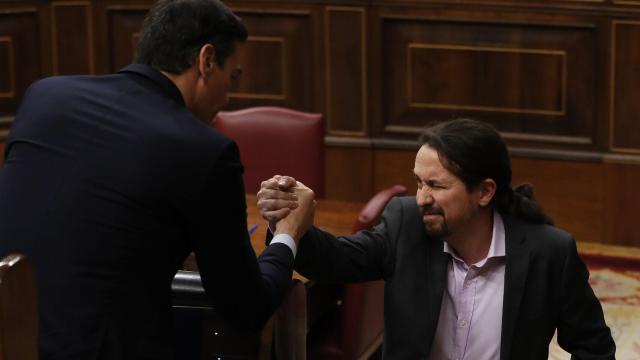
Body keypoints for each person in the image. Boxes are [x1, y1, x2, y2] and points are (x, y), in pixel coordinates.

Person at [0, 0, 314, 359]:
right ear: (206, 60)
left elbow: (85, 222)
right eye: (233, 77)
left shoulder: (43, 97)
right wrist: (288, 233)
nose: (228, 98)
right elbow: (246, 309)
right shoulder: (204, 150)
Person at [258, 118, 616, 360]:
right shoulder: (405, 225)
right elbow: (332, 259)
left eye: (437, 185)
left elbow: (594, 348)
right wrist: (288, 223)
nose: (422, 198)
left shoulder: (548, 253)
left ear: (485, 192)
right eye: (419, 182)